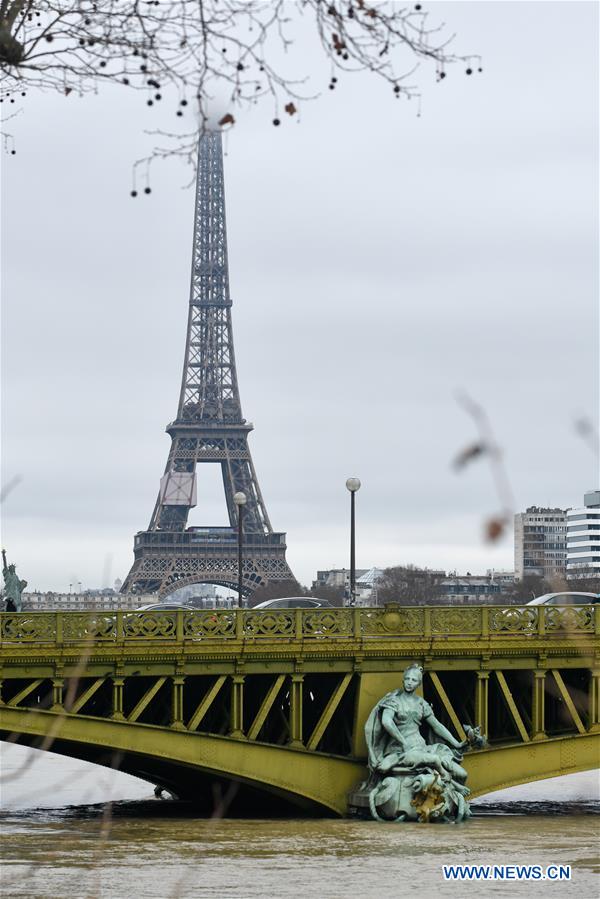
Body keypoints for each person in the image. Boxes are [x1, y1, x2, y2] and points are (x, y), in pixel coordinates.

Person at [365, 663, 469, 784]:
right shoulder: (394, 701)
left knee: (462, 774)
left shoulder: (421, 703)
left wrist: (456, 744)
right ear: (403, 680)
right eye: (407, 679)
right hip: (399, 750)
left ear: (419, 684)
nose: (409, 682)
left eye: (414, 680)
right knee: (435, 760)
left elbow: (437, 726)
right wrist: (403, 742)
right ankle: (442, 781)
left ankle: (453, 797)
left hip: (422, 748)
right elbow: (386, 722)